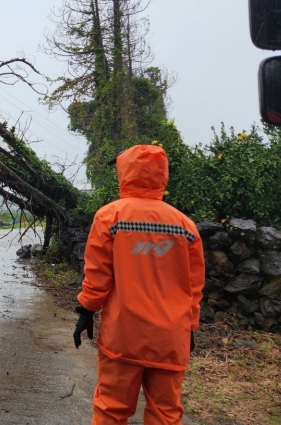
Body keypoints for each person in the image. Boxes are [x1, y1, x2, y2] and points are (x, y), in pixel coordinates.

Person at [73, 144, 205, 425]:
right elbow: (194, 287)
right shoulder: (185, 226)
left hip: (124, 335)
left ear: (124, 173)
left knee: (112, 409)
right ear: (163, 176)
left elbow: (98, 276)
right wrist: (190, 327)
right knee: (165, 415)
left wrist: (86, 310)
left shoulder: (110, 217)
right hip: (170, 338)